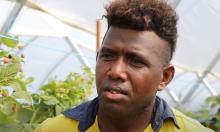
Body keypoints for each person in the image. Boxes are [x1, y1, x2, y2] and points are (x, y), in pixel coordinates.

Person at [35, 0, 214, 132]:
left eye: (135, 61)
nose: (116, 71)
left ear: (164, 77)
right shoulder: (52, 129)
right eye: (108, 56)